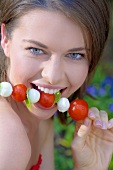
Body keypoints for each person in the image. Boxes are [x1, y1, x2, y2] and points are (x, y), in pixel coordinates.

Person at [0, 0, 112, 170]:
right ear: (5, 39)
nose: (53, 77)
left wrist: (90, 167)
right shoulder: (7, 137)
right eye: (36, 50)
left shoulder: (40, 120)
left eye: (75, 54)